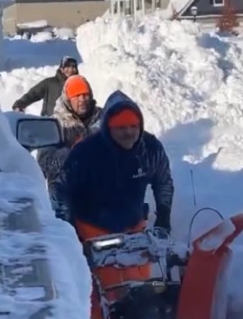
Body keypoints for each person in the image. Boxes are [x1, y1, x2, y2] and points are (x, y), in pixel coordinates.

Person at [54, 91, 174, 253]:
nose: (129, 133)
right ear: (108, 129)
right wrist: (69, 230)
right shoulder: (86, 152)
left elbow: (163, 181)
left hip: (134, 232)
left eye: (133, 127)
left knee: (144, 277)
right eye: (121, 128)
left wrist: (163, 216)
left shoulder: (150, 149)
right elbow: (61, 189)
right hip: (90, 234)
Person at [37, 75, 102, 195]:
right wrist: (70, 154)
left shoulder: (104, 118)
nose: (82, 99)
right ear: (68, 99)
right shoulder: (55, 124)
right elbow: (43, 163)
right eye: (76, 95)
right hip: (66, 197)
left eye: (85, 94)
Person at [13, 56, 79, 116]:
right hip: (51, 122)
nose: (71, 70)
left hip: (72, 124)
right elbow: (33, 94)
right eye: (67, 67)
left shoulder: (79, 85)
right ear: (61, 69)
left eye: (73, 67)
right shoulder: (50, 83)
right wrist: (19, 104)